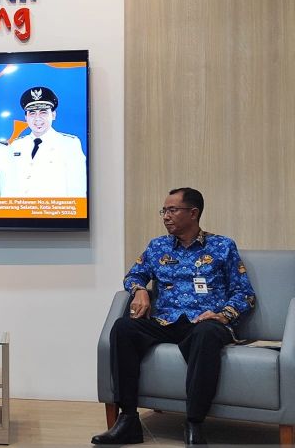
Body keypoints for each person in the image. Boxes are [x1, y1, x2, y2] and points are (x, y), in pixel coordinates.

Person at [91, 188, 256, 446]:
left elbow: (244, 293)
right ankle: (129, 420)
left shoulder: (223, 246)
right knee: (123, 328)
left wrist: (223, 316)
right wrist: (140, 291)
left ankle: (194, 423)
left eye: (172, 210)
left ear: (193, 213)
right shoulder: (157, 246)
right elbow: (134, 275)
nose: (165, 216)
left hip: (205, 322)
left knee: (206, 333)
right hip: (165, 321)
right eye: (164, 210)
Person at [7, 86, 86, 197]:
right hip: (20, 207)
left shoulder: (69, 144)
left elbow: (77, 189)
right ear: (26, 117)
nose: (37, 118)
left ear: (53, 115)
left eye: (43, 112)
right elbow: (10, 184)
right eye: (32, 113)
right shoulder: (16, 145)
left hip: (53, 207)